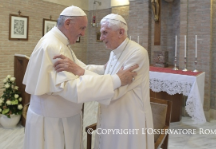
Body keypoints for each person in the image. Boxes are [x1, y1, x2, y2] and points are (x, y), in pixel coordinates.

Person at [23, 6, 138, 149]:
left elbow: (78, 68)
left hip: (61, 118)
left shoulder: (59, 43)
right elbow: (73, 89)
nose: (83, 34)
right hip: (53, 123)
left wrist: (103, 69)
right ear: (67, 23)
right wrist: (116, 80)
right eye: (82, 28)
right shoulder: (53, 46)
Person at [54, 13, 154, 149]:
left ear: (121, 32)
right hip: (111, 115)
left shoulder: (137, 53)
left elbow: (114, 90)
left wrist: (81, 71)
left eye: (105, 33)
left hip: (128, 118)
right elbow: (108, 74)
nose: (101, 38)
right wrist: (80, 68)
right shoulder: (114, 50)